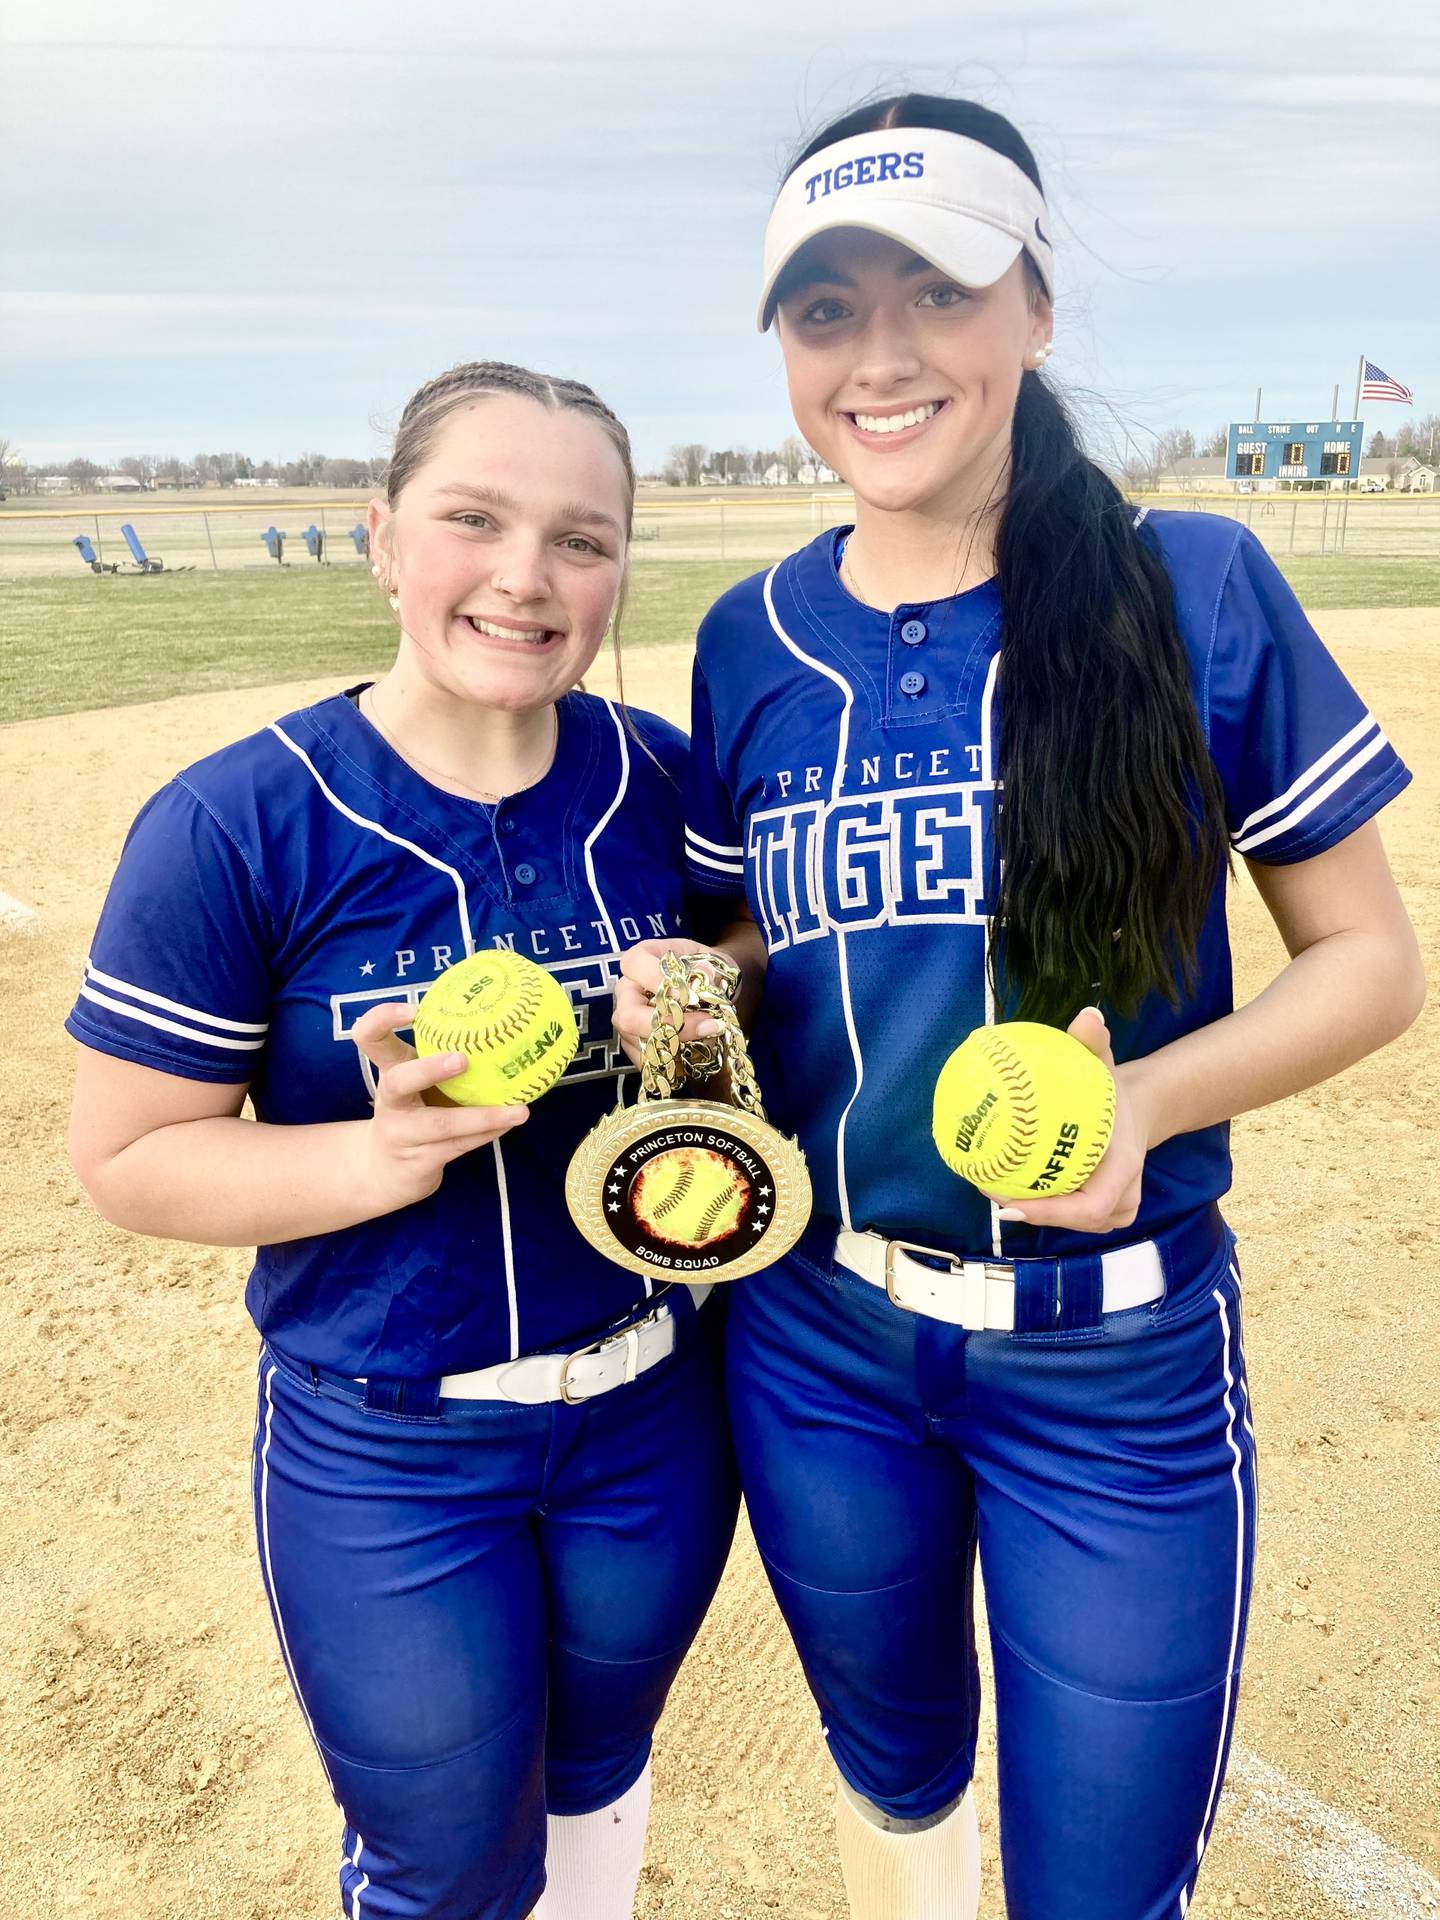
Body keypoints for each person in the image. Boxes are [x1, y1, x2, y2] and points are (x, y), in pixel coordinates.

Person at [616, 96, 1424, 1920]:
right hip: (818, 1344)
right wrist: (700, 977)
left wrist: (1144, 1102)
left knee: (1105, 1874)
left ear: (1036, 312)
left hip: (1112, 1365)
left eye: (940, 292)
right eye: (827, 312)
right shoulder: (751, 636)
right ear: (784, 350)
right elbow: (773, 937)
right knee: (894, 1775)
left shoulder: (1186, 582)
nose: (882, 356)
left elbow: (1372, 964)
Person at [66, 360, 739, 1920]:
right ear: (382, 538)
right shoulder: (239, 820)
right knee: (443, 1869)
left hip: (651, 1416)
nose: (527, 575)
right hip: (390, 1452)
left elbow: (753, 963)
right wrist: (365, 1161)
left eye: (583, 537)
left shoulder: (660, 783)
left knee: (601, 1781)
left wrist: (707, 997)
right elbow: (129, 1154)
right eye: (473, 519)